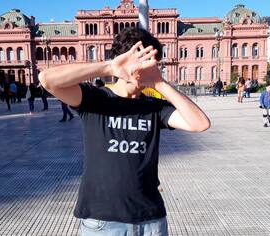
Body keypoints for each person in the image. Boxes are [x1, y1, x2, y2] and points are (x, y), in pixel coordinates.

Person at [39, 27, 210, 236]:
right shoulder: (95, 99)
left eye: (151, 62)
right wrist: (110, 67)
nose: (143, 68)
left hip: (150, 220)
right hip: (102, 221)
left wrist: (160, 83)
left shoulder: (154, 107)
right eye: (139, 61)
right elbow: (47, 80)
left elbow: (200, 124)